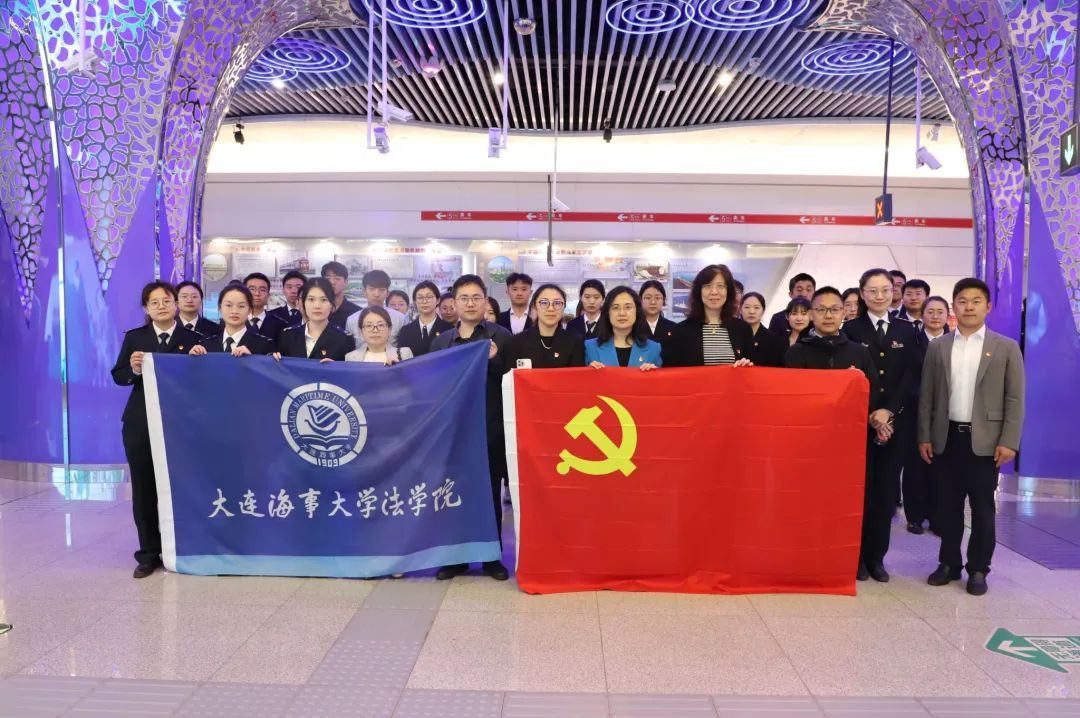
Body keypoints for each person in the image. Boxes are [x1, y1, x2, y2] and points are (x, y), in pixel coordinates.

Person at [919, 278, 1024, 596]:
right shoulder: (938, 346)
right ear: (954, 306)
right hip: (947, 437)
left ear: (987, 307)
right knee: (947, 506)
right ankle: (949, 563)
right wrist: (924, 435)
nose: (969, 307)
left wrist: (1009, 440)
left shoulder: (1005, 347)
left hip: (986, 442)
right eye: (962, 301)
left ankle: (978, 568)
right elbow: (927, 395)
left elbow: (1015, 398)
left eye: (976, 301)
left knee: (982, 509)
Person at [111, 281, 201, 578]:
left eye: (166, 301)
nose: (161, 306)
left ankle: (183, 547)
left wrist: (200, 362)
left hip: (182, 424)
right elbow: (119, 375)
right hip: (141, 423)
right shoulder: (135, 338)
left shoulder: (194, 339)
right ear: (146, 308)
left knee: (183, 486)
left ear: (176, 304)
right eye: (154, 302)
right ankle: (149, 553)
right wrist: (134, 369)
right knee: (144, 487)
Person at [430, 275, 513, 582]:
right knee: (453, 493)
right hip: (452, 431)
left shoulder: (501, 337)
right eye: (463, 298)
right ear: (454, 302)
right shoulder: (441, 342)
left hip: (490, 428)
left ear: (485, 301)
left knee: (489, 495)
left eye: (476, 297)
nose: (470, 303)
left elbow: (513, 380)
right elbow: (431, 383)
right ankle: (455, 558)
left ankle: (491, 557)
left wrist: (495, 359)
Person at [842, 268, 919, 582]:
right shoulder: (850, 329)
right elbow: (850, 378)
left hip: (894, 425)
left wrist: (889, 411)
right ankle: (856, 556)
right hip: (859, 424)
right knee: (859, 492)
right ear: (862, 293)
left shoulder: (907, 330)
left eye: (885, 290)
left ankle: (877, 558)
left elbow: (910, 377)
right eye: (872, 291)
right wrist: (872, 412)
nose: (879, 296)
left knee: (885, 493)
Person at [902, 295, 950, 536]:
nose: (935, 316)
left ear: (948, 315)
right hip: (915, 413)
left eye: (940, 312)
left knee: (942, 469)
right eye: (930, 312)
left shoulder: (955, 343)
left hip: (947, 415)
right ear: (922, 315)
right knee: (915, 467)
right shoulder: (911, 342)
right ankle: (915, 517)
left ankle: (938, 517)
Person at [784, 287, 880, 392]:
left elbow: (873, 391)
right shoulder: (796, 352)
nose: (828, 316)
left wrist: (860, 380)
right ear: (811, 314)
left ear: (843, 313)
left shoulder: (860, 352)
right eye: (821, 310)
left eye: (835, 310)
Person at [663, 264, 754, 367]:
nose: (714, 292)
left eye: (720, 286)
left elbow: (753, 370)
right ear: (699, 292)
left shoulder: (743, 329)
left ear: (728, 291)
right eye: (707, 286)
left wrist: (746, 365)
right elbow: (671, 371)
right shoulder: (681, 331)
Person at [508, 283, 585, 369]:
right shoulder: (517, 342)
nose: (551, 309)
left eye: (557, 303)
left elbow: (577, 375)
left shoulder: (575, 341)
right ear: (534, 306)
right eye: (544, 303)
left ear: (564, 307)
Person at [276, 278, 354, 362]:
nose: (317, 306)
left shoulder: (344, 339)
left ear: (332, 304)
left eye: (323, 300)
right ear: (303, 303)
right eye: (311, 299)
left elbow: (349, 368)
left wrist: (336, 367)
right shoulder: (288, 336)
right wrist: (273, 359)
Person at [585, 286, 662, 370]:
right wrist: (589, 372)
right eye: (615, 308)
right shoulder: (590, 347)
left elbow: (662, 377)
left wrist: (654, 373)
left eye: (628, 307)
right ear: (607, 313)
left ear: (637, 311)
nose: (622, 313)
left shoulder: (653, 348)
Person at [189, 284, 275, 357]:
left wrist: (252, 360)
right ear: (220, 308)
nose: (234, 311)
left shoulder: (265, 344)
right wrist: (192, 359)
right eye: (228, 305)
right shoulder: (205, 344)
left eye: (241, 306)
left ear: (249, 310)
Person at [345, 270, 407, 349]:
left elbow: (404, 346)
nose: (376, 294)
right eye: (371, 289)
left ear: (387, 293)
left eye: (381, 290)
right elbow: (349, 347)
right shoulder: (352, 320)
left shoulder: (400, 318)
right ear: (364, 291)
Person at [397, 281, 453, 357]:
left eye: (429, 297)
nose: (424, 301)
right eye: (420, 298)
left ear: (438, 300)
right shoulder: (405, 331)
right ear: (415, 302)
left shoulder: (449, 329)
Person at [346, 306, 414, 364]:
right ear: (361, 331)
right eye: (369, 326)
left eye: (380, 325)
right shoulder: (351, 357)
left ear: (389, 329)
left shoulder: (404, 354)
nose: (375, 330)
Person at [740, 292, 785, 367]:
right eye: (747, 307)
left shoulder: (773, 339)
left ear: (763, 311)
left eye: (756, 308)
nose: (751, 312)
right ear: (740, 310)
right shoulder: (732, 334)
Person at [244, 272, 287, 343]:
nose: (257, 293)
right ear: (244, 293)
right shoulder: (234, 321)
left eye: (262, 290)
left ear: (268, 295)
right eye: (252, 289)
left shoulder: (281, 325)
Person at [322, 261, 361, 329]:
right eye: (328, 278)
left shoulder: (357, 312)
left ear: (346, 282)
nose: (332, 282)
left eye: (337, 278)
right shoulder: (317, 309)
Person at [639, 279, 678, 344]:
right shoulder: (634, 327)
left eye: (657, 298)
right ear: (640, 300)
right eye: (648, 298)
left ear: (663, 300)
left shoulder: (674, 328)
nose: (653, 302)